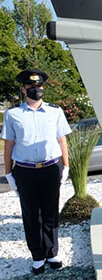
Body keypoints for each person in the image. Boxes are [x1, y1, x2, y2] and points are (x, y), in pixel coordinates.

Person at [1, 69, 71, 274]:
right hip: (25, 171)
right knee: (31, 215)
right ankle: (37, 256)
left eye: (39, 86)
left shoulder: (55, 112)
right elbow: (9, 145)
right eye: (31, 87)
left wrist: (66, 166)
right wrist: (9, 173)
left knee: (50, 212)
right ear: (24, 89)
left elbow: (62, 139)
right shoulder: (13, 114)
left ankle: (52, 252)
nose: (36, 90)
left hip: (50, 167)